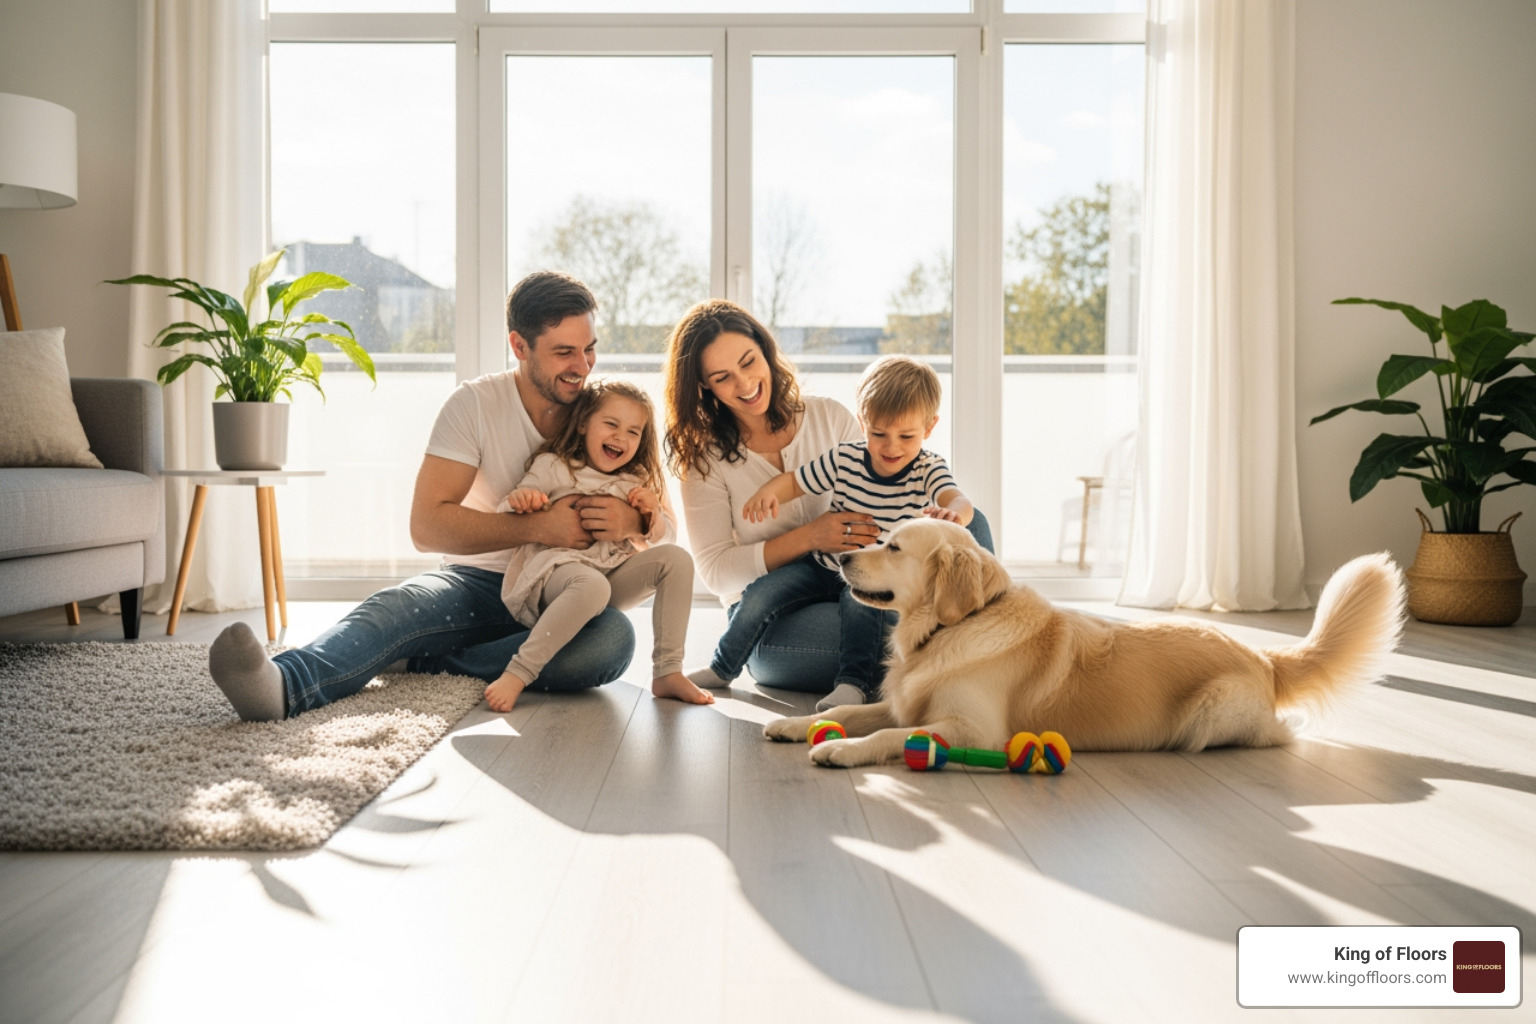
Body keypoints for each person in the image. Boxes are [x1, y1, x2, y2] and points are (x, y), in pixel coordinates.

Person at [207, 271, 644, 721]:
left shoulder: (606, 412)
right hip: (478, 582)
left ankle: (429, 665)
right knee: (396, 608)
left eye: (590, 348)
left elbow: (656, 516)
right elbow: (427, 527)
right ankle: (284, 685)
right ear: (519, 346)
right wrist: (536, 526)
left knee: (612, 639)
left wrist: (630, 522)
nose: (583, 365)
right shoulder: (474, 405)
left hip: (566, 591)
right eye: (564, 352)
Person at [661, 299, 992, 709]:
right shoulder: (705, 459)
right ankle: (954, 659)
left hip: (861, 579)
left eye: (749, 362)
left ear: (766, 351)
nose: (745, 383)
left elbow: (887, 484)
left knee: (968, 527)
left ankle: (976, 643)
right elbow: (717, 573)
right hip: (777, 619)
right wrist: (810, 537)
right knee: (878, 633)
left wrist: (937, 514)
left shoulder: (829, 418)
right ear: (704, 386)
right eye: (723, 376)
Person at [737, 355, 976, 710]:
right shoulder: (846, 457)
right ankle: (722, 665)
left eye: (906, 436)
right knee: (761, 592)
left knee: (859, 601)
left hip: (877, 579)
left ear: (929, 428)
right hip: (826, 564)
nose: (891, 447)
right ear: (862, 423)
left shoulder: (928, 467)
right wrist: (769, 491)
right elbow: (797, 481)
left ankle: (853, 685)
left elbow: (959, 500)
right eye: (878, 434)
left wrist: (951, 513)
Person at [487, 378, 711, 712]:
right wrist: (524, 499)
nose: (621, 437)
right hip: (557, 574)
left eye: (634, 432)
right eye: (611, 424)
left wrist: (650, 514)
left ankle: (668, 671)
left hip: (608, 578)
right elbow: (507, 510)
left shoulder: (634, 482)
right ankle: (519, 672)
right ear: (582, 424)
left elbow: (665, 540)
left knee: (677, 559)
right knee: (590, 585)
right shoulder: (554, 466)